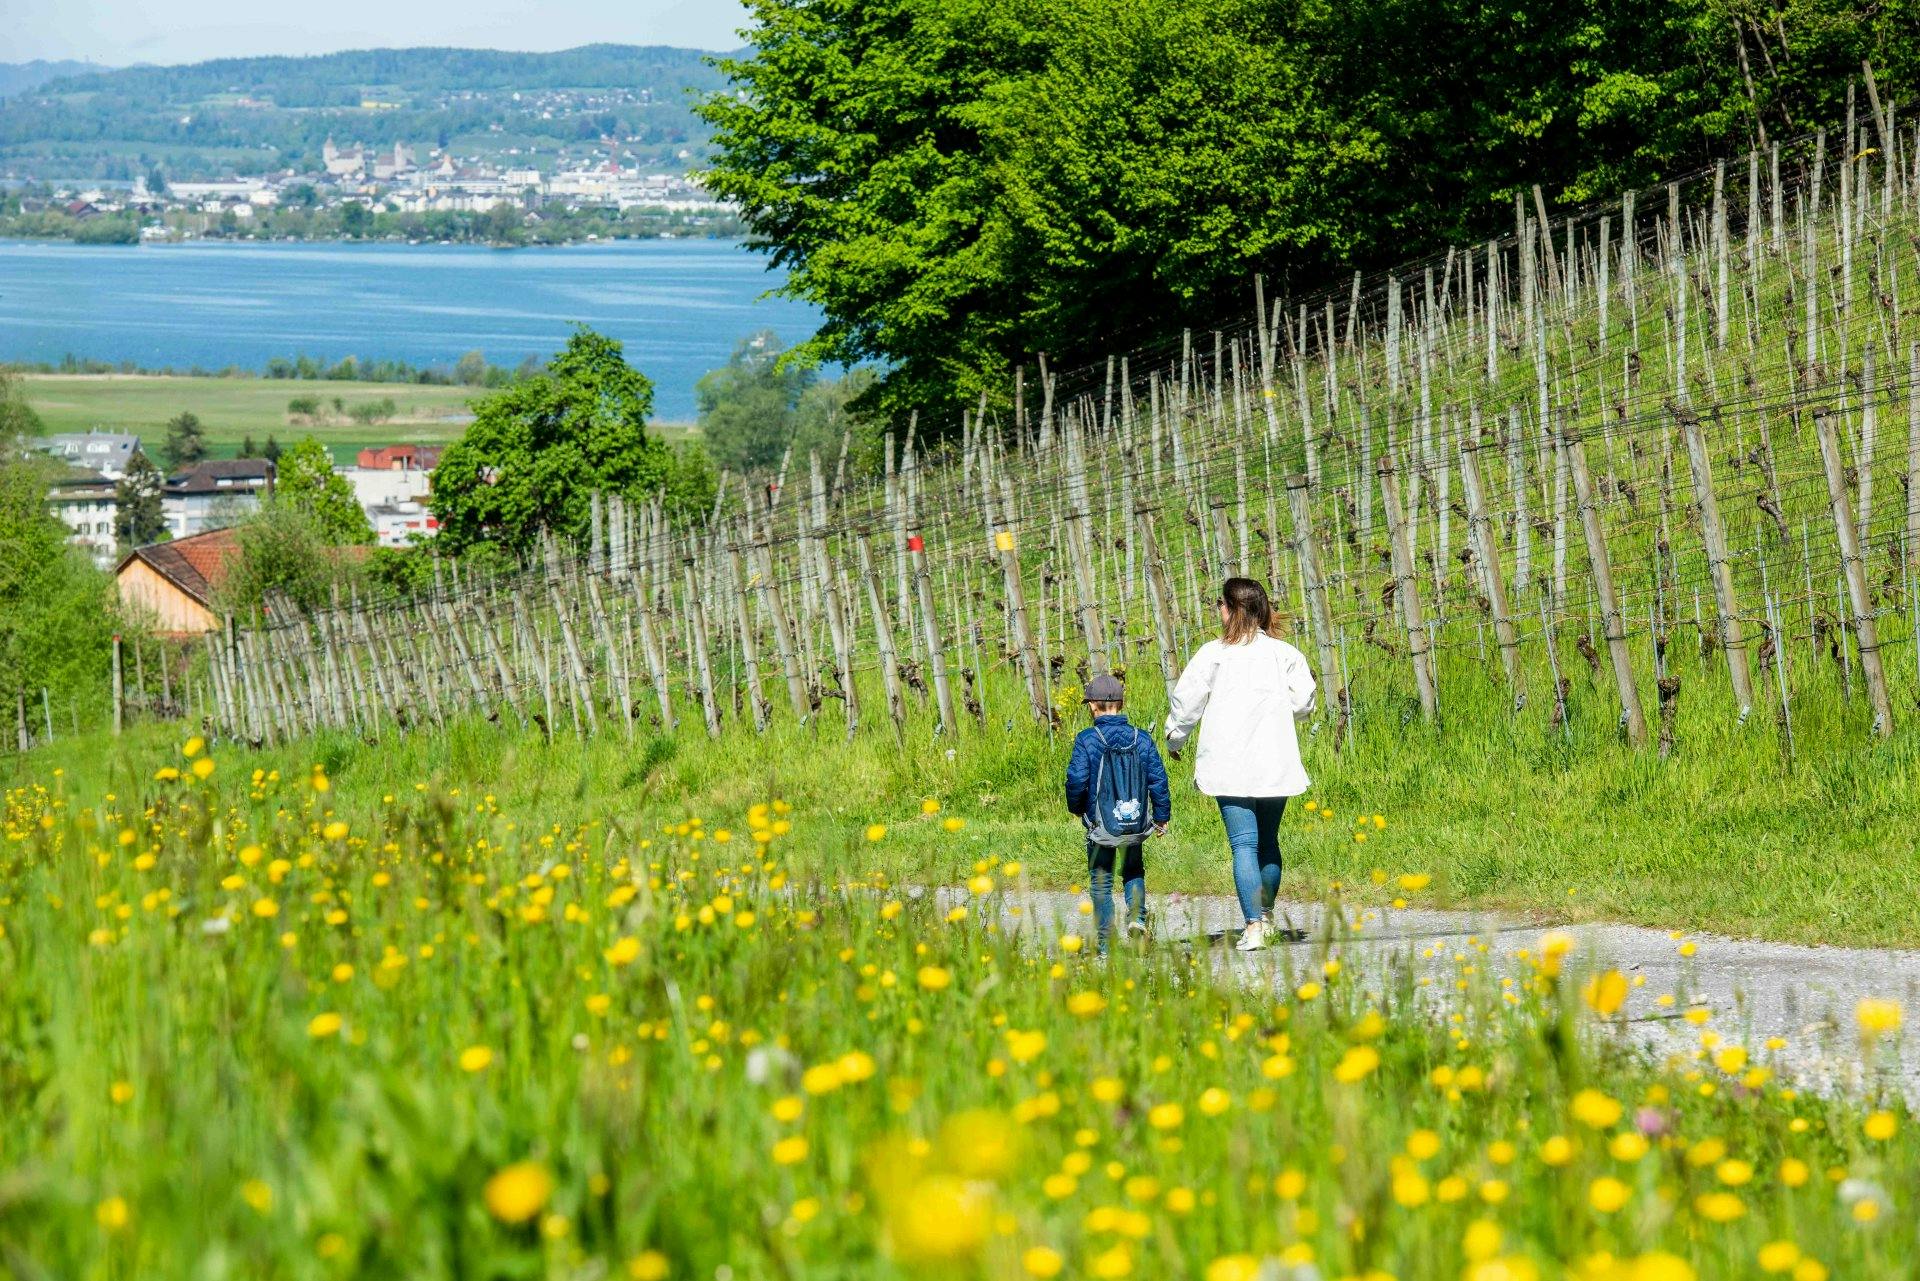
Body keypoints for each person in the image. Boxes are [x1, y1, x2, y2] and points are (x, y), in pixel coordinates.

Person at [1164, 577, 1317, 951]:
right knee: (1267, 841)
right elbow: (1304, 704)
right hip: (1274, 761)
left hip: (1229, 764)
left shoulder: (1213, 654)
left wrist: (1174, 739)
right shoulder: (1285, 655)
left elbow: (1186, 705)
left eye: (1221, 604)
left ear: (1230, 609)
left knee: (1243, 845)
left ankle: (1253, 926)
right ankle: (1264, 918)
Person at [1064, 672, 1171, 949]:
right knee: (1133, 871)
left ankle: (1105, 942)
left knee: (1101, 881)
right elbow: (1157, 779)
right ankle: (1137, 920)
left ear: (1092, 705)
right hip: (1134, 823)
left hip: (1100, 827)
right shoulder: (1142, 738)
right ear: (1121, 704)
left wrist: (1077, 809)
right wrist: (1161, 816)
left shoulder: (1087, 739)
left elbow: (1076, 779)